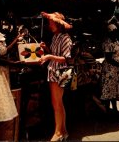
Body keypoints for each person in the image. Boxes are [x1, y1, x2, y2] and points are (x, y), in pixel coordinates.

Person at [39, 11, 73, 141]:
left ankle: (58, 133)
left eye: (51, 23)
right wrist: (46, 49)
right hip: (53, 71)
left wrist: (49, 56)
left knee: (57, 103)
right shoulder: (55, 37)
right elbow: (54, 53)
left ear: (58, 24)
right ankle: (63, 131)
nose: (49, 25)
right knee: (58, 103)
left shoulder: (65, 38)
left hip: (60, 72)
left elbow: (65, 58)